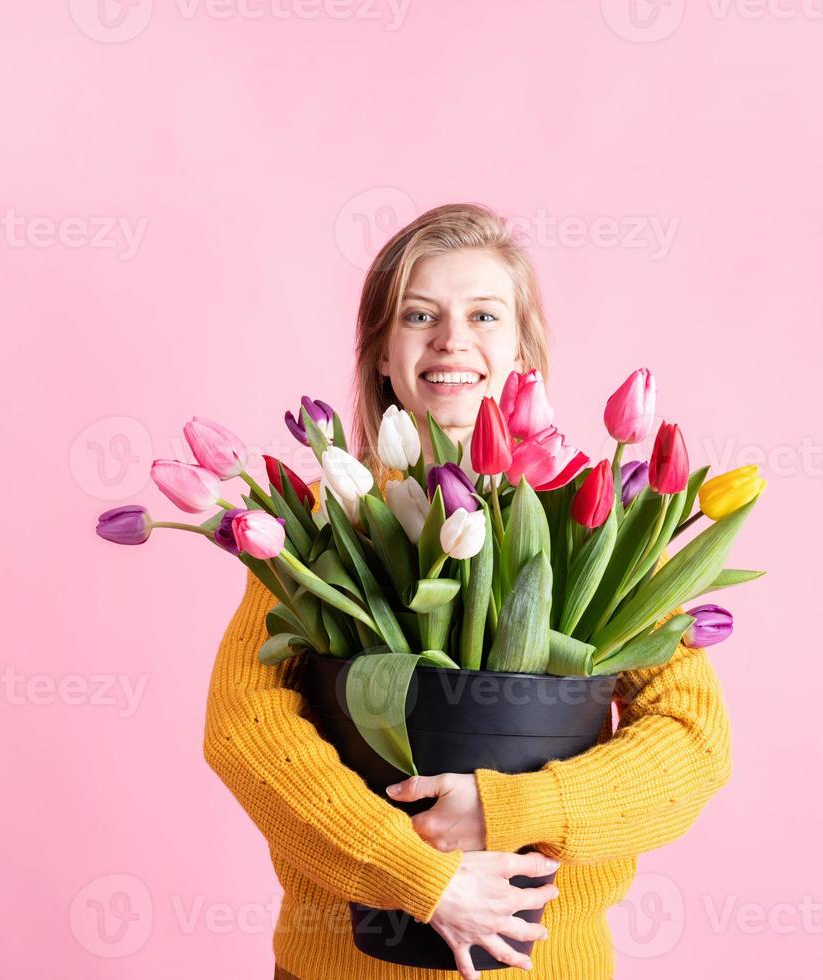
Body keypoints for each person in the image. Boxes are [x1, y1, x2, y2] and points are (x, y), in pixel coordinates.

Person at [203, 203, 733, 980]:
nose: (452, 339)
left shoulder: (599, 526)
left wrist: (506, 808)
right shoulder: (318, 526)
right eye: (420, 315)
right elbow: (247, 733)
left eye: (483, 315)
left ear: (521, 351)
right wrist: (423, 878)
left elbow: (692, 742)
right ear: (382, 355)